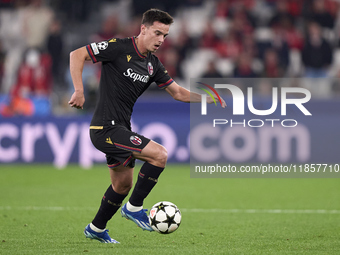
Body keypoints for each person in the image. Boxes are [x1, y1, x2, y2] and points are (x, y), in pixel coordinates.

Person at [68, 8, 226, 244]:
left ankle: (96, 228)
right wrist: (79, 90)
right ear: (143, 29)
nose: (161, 40)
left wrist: (208, 99)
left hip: (121, 128)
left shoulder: (153, 65)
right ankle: (134, 208)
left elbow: (178, 93)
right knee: (159, 155)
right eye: (157, 33)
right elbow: (77, 54)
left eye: (165, 35)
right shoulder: (119, 47)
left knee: (122, 185)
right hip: (105, 128)